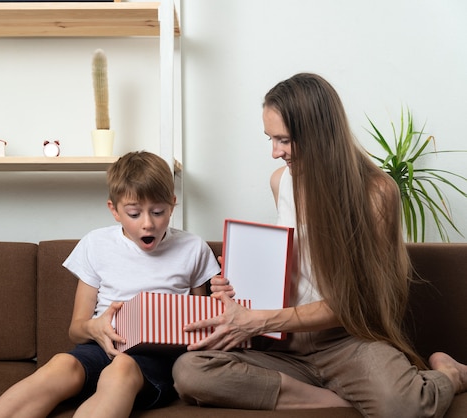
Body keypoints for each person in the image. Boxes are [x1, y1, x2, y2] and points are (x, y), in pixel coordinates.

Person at [172, 73, 467, 417]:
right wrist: (237, 290)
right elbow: (293, 272)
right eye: (270, 139)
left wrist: (259, 320)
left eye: (283, 140)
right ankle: (335, 398)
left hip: (349, 341)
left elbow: (359, 302)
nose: (274, 152)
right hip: (285, 346)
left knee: (404, 406)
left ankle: (448, 373)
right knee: (190, 371)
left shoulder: (376, 193)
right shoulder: (281, 183)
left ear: (318, 133)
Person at [0, 151, 220, 418]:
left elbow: (201, 324)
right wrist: (94, 328)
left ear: (172, 205)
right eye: (134, 213)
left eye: (158, 212)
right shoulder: (96, 244)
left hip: (154, 363)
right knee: (61, 364)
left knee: (121, 369)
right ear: (114, 210)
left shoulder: (193, 248)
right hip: (99, 348)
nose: (148, 224)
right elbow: (76, 330)